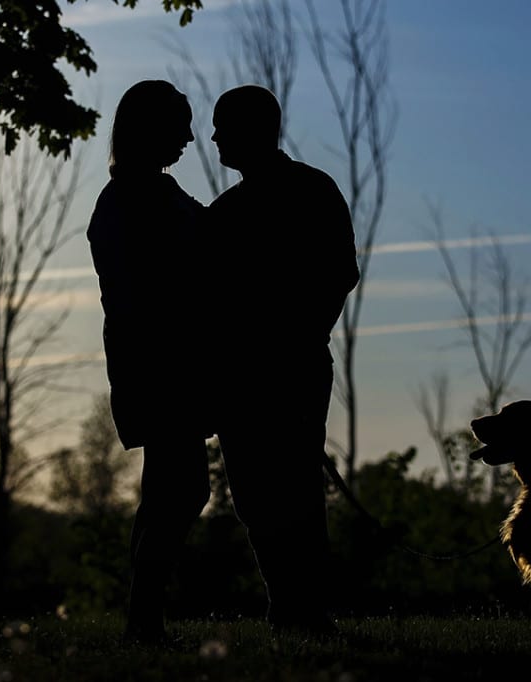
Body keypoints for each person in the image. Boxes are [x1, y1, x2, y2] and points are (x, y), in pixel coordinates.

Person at [207, 84, 360, 634]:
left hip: (292, 369)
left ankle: (307, 610)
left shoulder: (311, 190)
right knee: (253, 493)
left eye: (224, 126)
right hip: (240, 377)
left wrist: (299, 335)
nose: (215, 137)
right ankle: (287, 605)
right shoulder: (224, 213)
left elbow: (340, 272)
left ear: (254, 130)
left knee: (292, 488)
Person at [86, 80, 212, 644]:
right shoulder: (138, 198)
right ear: (150, 129)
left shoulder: (149, 192)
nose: (189, 136)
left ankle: (145, 619)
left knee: (173, 488)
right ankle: (144, 620)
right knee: (178, 489)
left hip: (160, 361)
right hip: (159, 364)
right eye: (179, 125)